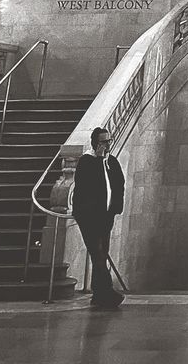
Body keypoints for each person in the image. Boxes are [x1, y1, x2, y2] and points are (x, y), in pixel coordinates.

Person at [72, 126, 126, 310]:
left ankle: (98, 294)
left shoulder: (112, 162)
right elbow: (84, 186)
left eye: (108, 141)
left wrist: (115, 208)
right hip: (89, 217)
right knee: (98, 253)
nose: (107, 145)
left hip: (105, 216)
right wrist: (99, 158)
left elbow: (119, 184)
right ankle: (108, 291)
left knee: (102, 252)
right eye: (103, 142)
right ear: (95, 143)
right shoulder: (87, 162)